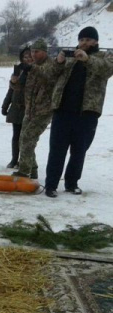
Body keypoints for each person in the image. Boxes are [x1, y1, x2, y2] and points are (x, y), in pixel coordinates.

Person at [43, 26, 113, 198]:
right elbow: (50, 75)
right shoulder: (70, 57)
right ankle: (51, 184)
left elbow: (106, 70)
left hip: (87, 113)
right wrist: (58, 62)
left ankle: (72, 183)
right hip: (62, 111)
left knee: (79, 150)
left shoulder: (105, 57)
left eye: (88, 40)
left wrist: (87, 59)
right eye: (81, 40)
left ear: (96, 41)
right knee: (57, 150)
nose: (84, 43)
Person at [13, 39, 55, 180]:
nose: (33, 54)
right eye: (32, 51)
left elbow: (47, 75)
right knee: (23, 139)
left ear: (44, 52)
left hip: (43, 111)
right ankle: (33, 168)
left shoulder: (50, 65)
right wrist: (14, 81)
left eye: (36, 52)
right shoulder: (32, 67)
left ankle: (24, 171)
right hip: (30, 110)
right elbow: (21, 87)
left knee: (28, 138)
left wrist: (31, 68)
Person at [2, 46, 33, 169]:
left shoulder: (37, 70)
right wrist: (5, 105)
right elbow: (11, 90)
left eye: (30, 57)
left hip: (29, 108)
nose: (27, 59)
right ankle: (14, 159)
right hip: (16, 108)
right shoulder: (18, 70)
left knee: (27, 137)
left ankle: (24, 161)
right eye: (25, 57)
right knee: (16, 135)